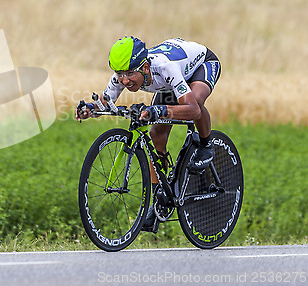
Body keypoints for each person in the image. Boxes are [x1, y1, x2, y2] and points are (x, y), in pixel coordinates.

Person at [75, 36, 221, 232]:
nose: (124, 81)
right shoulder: (124, 75)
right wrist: (90, 109)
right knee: (156, 135)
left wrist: (160, 111)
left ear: (144, 67)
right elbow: (105, 103)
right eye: (119, 74)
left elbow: (192, 110)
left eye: (129, 74)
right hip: (169, 83)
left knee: (194, 100)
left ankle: (205, 144)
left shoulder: (163, 67)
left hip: (201, 65)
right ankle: (158, 200)